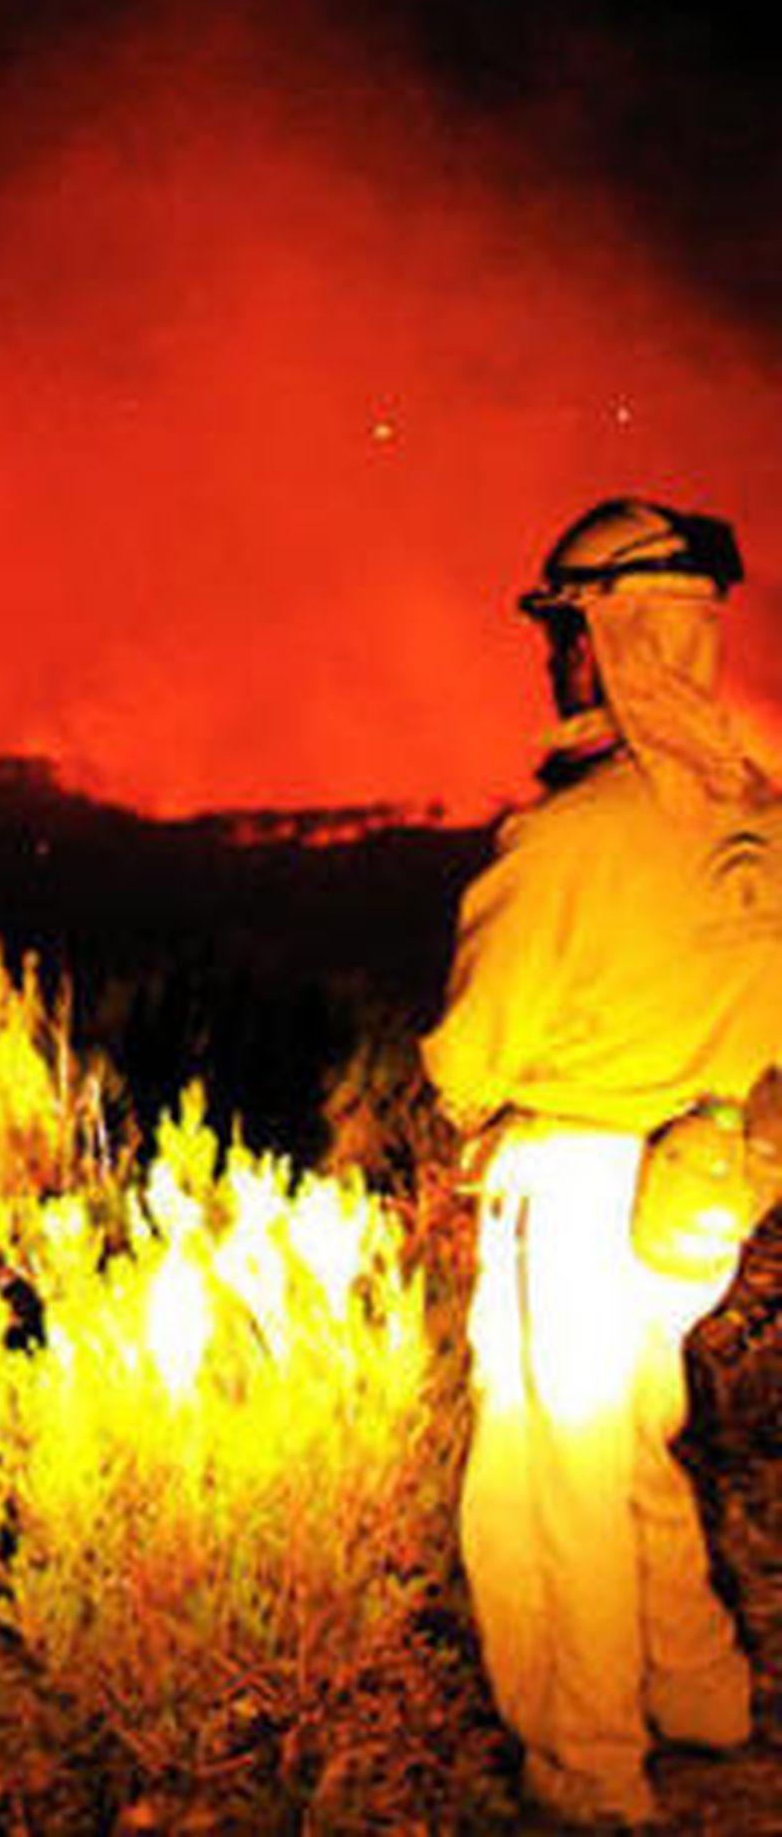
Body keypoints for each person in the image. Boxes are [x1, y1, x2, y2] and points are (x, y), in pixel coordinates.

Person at [422, 497, 782, 1829]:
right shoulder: (760, 822)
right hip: (708, 1190)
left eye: (565, 626)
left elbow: (471, 1047)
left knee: (546, 1484)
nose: (554, 655)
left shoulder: (567, 841)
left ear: (608, 637)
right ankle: (703, 1694)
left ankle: (589, 1773)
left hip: (573, 1192)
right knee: (636, 1438)